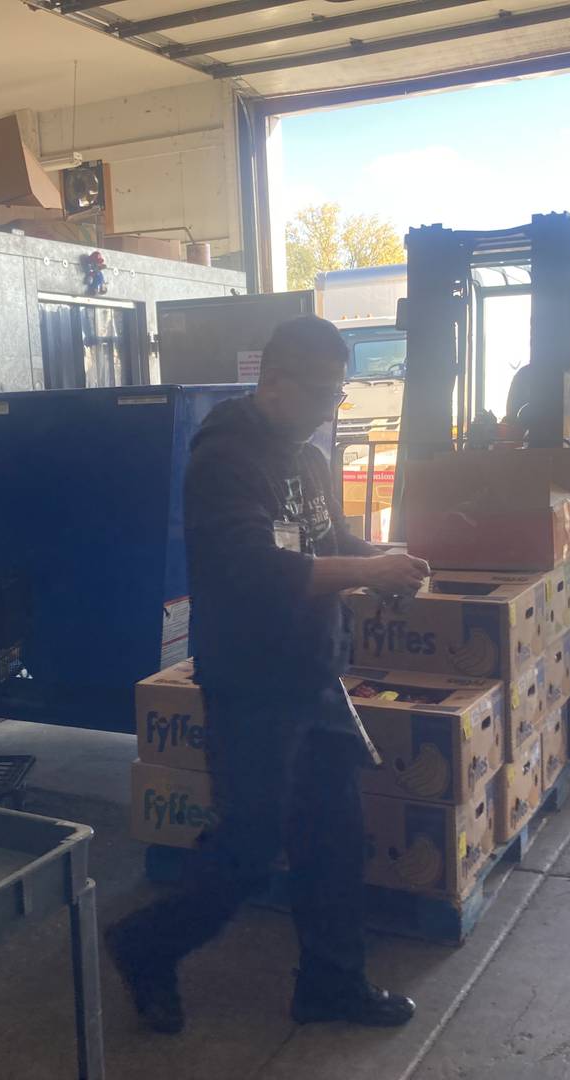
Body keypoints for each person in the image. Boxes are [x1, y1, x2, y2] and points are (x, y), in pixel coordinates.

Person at [106, 315, 431, 1034]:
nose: (328, 408)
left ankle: (331, 985)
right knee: (248, 851)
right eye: (320, 392)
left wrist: (385, 560)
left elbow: (327, 540)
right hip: (252, 686)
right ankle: (146, 945)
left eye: (336, 394)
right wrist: (368, 571)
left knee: (334, 836)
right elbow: (256, 570)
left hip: (315, 675)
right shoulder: (223, 461)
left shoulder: (308, 458)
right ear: (274, 382)